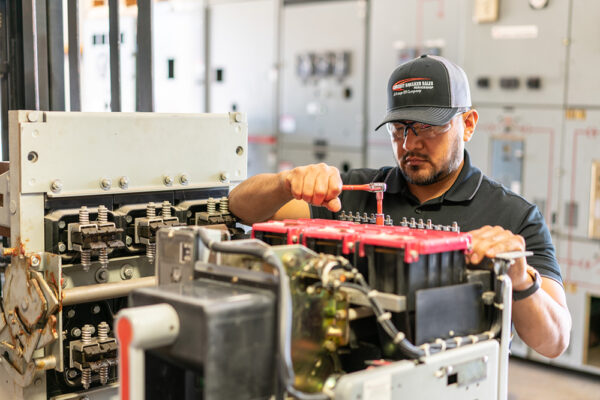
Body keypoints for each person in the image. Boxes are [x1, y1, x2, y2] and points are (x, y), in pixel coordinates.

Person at [229, 54, 571, 358]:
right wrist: (284, 183)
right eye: (399, 129)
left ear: (468, 125)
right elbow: (240, 207)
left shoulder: (513, 217)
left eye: (426, 127)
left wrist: (521, 279)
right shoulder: (356, 191)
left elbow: (554, 342)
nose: (409, 143)